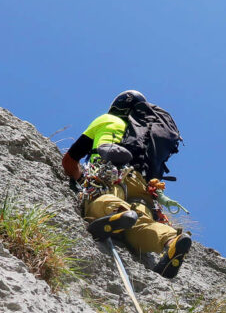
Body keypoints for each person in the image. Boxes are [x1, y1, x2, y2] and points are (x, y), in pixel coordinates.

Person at [62, 90, 192, 279]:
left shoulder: (108, 120)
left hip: (111, 171)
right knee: (142, 224)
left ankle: (118, 212)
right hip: (143, 187)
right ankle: (170, 241)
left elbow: (70, 161)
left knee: (102, 197)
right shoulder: (150, 133)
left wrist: (82, 180)